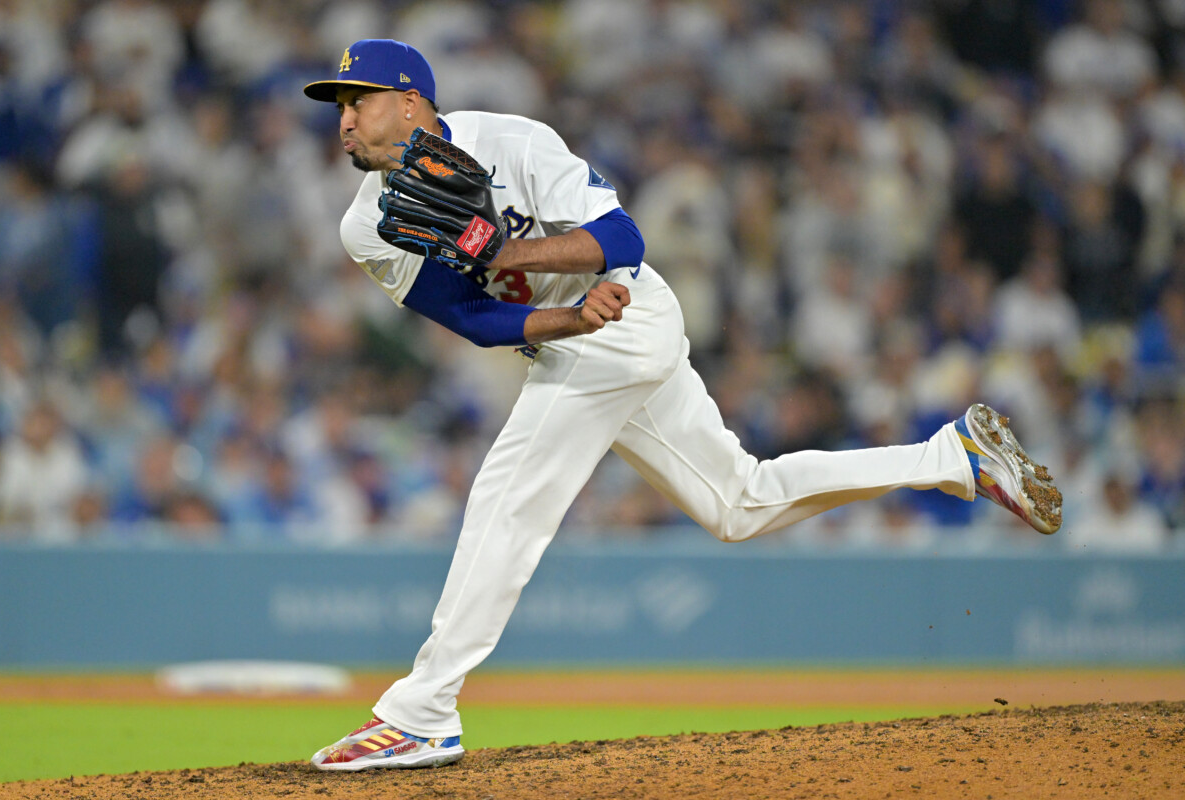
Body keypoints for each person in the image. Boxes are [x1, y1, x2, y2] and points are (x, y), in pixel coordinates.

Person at [302, 39, 1062, 771]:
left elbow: (622, 238)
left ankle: (422, 712)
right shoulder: (365, 225)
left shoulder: (512, 142)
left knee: (507, 498)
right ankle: (951, 458)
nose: (344, 120)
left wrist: (508, 253)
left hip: (629, 316)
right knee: (738, 504)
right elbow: (471, 317)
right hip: (578, 335)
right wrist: (568, 318)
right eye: (338, 106)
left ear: (411, 103)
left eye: (358, 101)